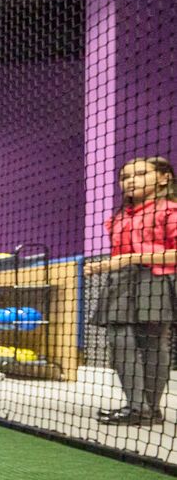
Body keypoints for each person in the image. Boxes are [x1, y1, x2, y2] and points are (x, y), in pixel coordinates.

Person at [86, 156, 177, 426]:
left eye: (139, 174)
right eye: (125, 177)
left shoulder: (170, 210)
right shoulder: (117, 219)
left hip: (156, 278)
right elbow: (120, 256)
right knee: (119, 339)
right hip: (121, 281)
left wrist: (135, 258)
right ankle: (139, 407)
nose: (130, 181)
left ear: (163, 177)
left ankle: (147, 409)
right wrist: (104, 267)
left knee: (153, 342)